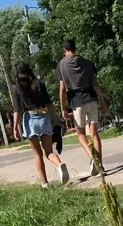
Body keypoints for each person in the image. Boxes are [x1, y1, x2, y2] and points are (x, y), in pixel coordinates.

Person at [11, 62, 69, 188]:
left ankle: (45, 183)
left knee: (37, 154)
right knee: (48, 151)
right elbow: (49, 103)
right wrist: (56, 118)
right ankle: (59, 164)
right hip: (43, 116)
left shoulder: (16, 89)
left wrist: (15, 127)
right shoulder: (39, 84)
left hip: (29, 119)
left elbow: (17, 110)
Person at [55, 39, 108, 177]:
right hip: (91, 99)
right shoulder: (87, 62)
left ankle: (93, 157)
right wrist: (103, 103)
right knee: (94, 134)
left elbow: (61, 89)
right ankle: (100, 167)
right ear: (74, 48)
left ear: (64, 51)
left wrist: (62, 108)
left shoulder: (61, 65)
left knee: (80, 134)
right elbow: (95, 84)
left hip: (76, 101)